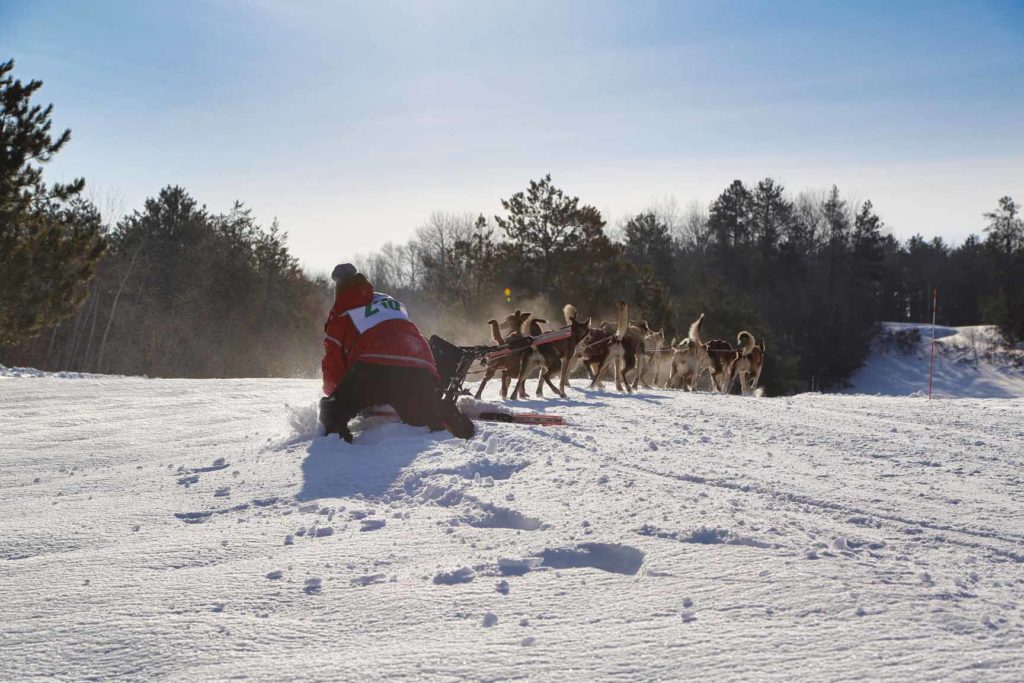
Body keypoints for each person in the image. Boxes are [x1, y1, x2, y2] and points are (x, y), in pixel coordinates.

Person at [319, 263, 475, 443]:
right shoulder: (388, 301)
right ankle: (440, 411)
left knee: (333, 409)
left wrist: (338, 394)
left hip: (372, 371)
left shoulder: (340, 314)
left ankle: (336, 445)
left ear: (338, 290)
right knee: (420, 413)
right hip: (419, 365)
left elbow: (333, 368)